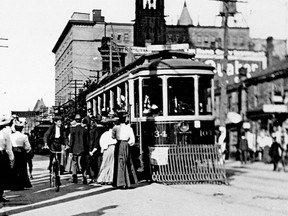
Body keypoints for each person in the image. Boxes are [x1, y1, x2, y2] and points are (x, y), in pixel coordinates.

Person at [112, 112, 138, 189]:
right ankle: (129, 182)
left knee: (119, 162)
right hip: (126, 144)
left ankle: (120, 182)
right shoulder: (129, 128)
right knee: (128, 162)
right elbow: (132, 140)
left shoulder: (115, 128)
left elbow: (113, 137)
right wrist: (127, 144)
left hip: (119, 144)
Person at [43, 116, 67, 185]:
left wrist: (66, 145)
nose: (60, 123)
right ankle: (51, 167)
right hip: (52, 143)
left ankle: (58, 178)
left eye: (61, 122)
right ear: (55, 122)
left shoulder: (62, 128)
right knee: (52, 155)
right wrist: (45, 144)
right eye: (59, 122)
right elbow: (46, 135)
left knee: (58, 160)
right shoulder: (52, 127)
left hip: (59, 143)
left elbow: (65, 137)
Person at [10, 121, 32, 190]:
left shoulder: (11, 135)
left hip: (13, 152)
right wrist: (27, 151)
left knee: (13, 169)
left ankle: (13, 185)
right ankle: (22, 184)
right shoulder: (24, 136)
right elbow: (28, 147)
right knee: (22, 169)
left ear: (15, 128)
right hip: (21, 153)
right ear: (22, 129)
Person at [69, 114, 90, 184]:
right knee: (83, 163)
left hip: (75, 149)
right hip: (83, 149)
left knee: (74, 163)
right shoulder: (84, 130)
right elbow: (87, 141)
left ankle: (74, 177)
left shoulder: (73, 129)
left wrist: (70, 151)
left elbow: (71, 141)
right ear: (81, 120)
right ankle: (84, 178)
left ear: (75, 120)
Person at [97, 118, 117, 184]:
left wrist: (103, 149)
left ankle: (102, 179)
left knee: (105, 164)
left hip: (107, 148)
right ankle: (110, 179)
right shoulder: (115, 133)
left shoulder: (105, 134)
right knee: (112, 164)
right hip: (114, 147)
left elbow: (102, 142)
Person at [0, 116, 14, 202]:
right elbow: (9, 148)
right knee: (1, 176)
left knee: (1, 176)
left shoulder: (5, 133)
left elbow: (9, 147)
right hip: (1, 155)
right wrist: (11, 158)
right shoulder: (5, 133)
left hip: (1, 154)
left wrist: (11, 157)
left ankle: (0, 195)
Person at [88, 116, 105, 184]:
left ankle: (94, 177)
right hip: (104, 148)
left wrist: (90, 150)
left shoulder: (93, 131)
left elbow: (92, 141)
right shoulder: (105, 129)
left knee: (94, 164)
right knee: (101, 163)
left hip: (95, 149)